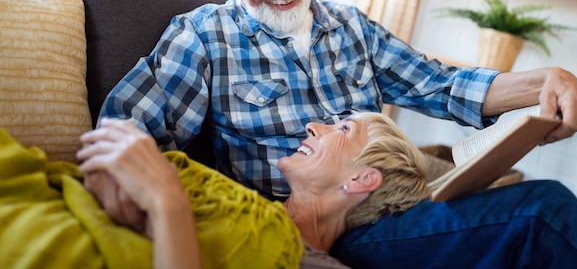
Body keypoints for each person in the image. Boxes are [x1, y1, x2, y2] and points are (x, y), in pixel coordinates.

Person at [88, 0, 577, 267]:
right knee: (542, 212)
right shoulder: (205, 36)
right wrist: (127, 181)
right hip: (326, 230)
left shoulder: (349, 27)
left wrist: (544, 81)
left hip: (394, 204)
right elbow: (126, 125)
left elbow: (441, 84)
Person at [76, 113, 432, 268]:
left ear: (360, 180)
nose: (312, 126)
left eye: (343, 129)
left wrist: (167, 205)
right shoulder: (242, 202)